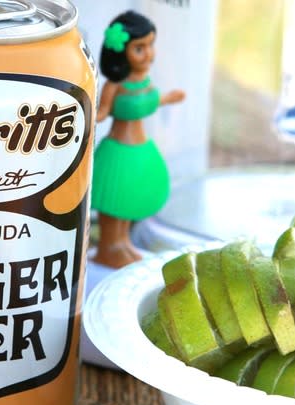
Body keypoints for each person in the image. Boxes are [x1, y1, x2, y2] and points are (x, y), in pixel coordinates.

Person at [92, 10, 185, 269]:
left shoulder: (143, 80)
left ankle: (122, 243)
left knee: (128, 202)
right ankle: (108, 247)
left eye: (150, 45)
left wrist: (168, 99)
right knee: (113, 203)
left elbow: (150, 101)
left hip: (139, 148)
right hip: (118, 151)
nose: (149, 54)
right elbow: (101, 113)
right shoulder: (115, 84)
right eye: (139, 48)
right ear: (121, 51)